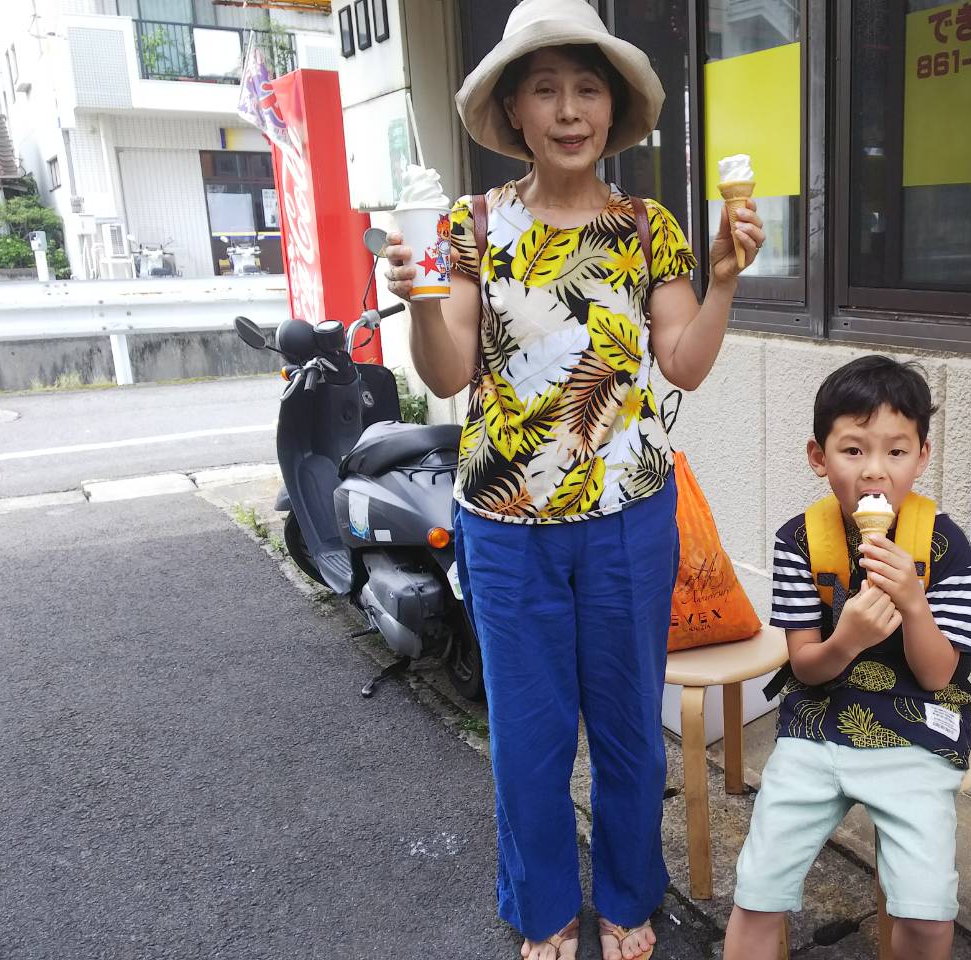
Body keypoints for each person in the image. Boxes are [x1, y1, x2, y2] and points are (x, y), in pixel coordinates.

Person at [380, 1, 765, 958]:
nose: (567, 109)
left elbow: (682, 363)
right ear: (513, 109)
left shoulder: (646, 226)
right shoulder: (470, 226)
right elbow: (448, 368)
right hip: (506, 526)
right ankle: (545, 905)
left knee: (630, 728)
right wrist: (420, 301)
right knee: (529, 737)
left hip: (629, 517)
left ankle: (630, 896)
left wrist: (722, 280)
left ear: (613, 108)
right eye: (544, 89)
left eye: (587, 89)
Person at [722, 356, 971, 960]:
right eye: (853, 450)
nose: (874, 471)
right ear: (819, 457)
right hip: (818, 722)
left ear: (922, 456)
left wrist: (913, 603)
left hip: (915, 730)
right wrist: (848, 639)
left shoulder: (945, 546)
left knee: (926, 913)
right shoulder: (799, 540)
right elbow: (805, 667)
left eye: (896, 451)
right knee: (757, 893)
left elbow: (939, 675)